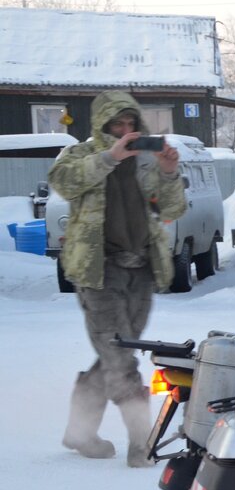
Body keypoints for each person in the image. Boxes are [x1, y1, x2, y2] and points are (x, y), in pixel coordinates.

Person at [49, 91, 186, 467]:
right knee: (120, 356)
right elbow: (63, 182)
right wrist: (111, 157)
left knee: (115, 353)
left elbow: (173, 208)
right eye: (117, 125)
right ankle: (141, 443)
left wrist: (169, 171)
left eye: (131, 124)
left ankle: (79, 432)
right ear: (102, 126)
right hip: (98, 270)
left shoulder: (147, 162)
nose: (126, 131)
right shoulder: (81, 155)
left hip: (141, 268)